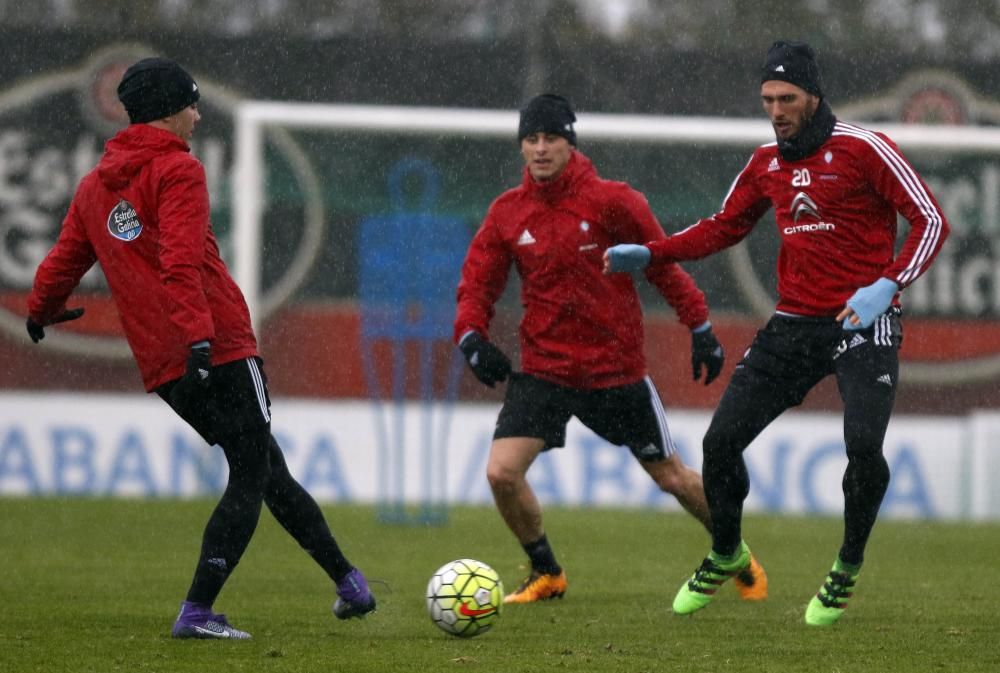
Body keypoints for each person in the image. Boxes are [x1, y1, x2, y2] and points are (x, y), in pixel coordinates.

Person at [26, 57, 376, 639]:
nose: (197, 113)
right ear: (168, 108)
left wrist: (41, 308)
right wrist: (200, 339)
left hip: (165, 366)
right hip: (215, 347)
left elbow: (66, 258)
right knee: (250, 470)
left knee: (266, 467)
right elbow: (181, 260)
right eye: (191, 102)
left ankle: (349, 583)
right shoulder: (177, 171)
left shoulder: (95, 186)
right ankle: (197, 611)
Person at [605, 41, 949, 626]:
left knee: (863, 448)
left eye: (787, 98)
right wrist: (655, 253)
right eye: (768, 99)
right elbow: (723, 227)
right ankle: (725, 552)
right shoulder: (765, 162)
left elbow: (931, 220)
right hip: (794, 323)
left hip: (862, 321)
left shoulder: (865, 148)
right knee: (719, 445)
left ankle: (846, 566)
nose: (776, 109)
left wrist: (887, 285)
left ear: (813, 95)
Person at [454, 93, 768, 605]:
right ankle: (546, 573)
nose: (539, 149)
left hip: (614, 372)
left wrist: (701, 326)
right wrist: (470, 335)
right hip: (545, 370)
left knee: (674, 479)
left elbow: (662, 264)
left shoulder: (614, 202)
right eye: (530, 140)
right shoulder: (507, 213)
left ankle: (732, 550)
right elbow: (477, 285)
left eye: (550, 138)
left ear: (570, 143)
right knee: (501, 473)